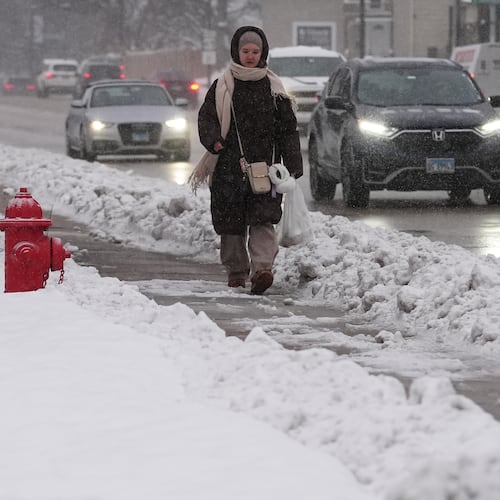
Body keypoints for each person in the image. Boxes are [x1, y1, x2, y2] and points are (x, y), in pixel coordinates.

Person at [194, 25, 303, 295]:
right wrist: (214, 140)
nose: (251, 56)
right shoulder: (222, 86)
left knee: (263, 219)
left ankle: (263, 270)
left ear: (263, 52)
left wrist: (293, 163)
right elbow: (207, 117)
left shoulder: (274, 88)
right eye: (246, 51)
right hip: (229, 167)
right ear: (236, 51)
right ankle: (236, 272)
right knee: (231, 223)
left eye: (256, 51)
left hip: (265, 167)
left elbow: (288, 129)